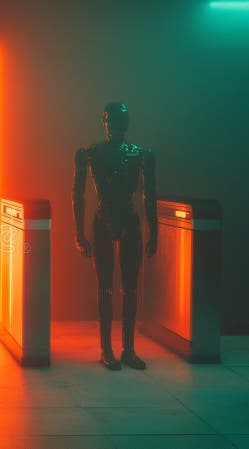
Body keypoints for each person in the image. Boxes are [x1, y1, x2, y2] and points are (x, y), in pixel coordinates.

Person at [72, 101, 157, 370]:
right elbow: (77, 194)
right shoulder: (90, 154)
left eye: (116, 121)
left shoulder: (140, 155)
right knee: (105, 288)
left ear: (125, 124)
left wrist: (153, 231)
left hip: (129, 220)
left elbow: (149, 195)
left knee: (130, 288)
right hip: (104, 219)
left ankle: (128, 348)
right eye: (107, 121)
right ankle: (107, 348)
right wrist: (79, 233)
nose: (111, 126)